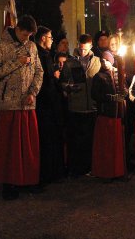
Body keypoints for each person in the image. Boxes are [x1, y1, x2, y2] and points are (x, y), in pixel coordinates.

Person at [0, 15, 43, 200]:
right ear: (18, 29)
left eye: (30, 35)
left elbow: (39, 71)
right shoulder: (2, 46)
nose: (26, 38)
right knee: (9, 146)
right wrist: (16, 63)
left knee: (28, 146)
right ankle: (9, 182)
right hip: (9, 104)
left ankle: (28, 180)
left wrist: (33, 92)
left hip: (27, 104)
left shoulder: (32, 47)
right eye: (25, 34)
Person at [60, 34, 101, 176]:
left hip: (92, 106)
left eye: (85, 49)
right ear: (78, 46)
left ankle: (90, 167)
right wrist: (69, 87)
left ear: (90, 47)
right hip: (76, 106)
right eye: (81, 49)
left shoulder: (97, 61)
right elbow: (63, 81)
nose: (83, 52)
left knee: (90, 140)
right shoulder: (70, 62)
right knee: (76, 140)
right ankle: (76, 168)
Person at [35, 26, 65, 184]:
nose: (52, 40)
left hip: (47, 102)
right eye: (50, 37)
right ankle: (49, 173)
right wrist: (54, 76)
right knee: (48, 138)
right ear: (42, 38)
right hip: (46, 104)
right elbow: (45, 80)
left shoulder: (44, 54)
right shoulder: (42, 55)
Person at [91, 51, 125, 181]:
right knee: (106, 145)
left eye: (107, 60)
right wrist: (110, 98)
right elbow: (94, 95)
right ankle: (106, 172)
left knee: (116, 144)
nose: (104, 63)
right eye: (102, 61)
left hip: (117, 114)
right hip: (105, 113)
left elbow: (123, 88)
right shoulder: (98, 77)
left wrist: (123, 94)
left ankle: (117, 170)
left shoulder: (118, 73)